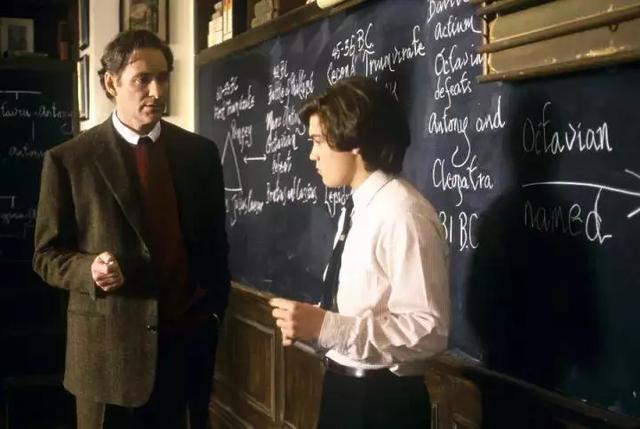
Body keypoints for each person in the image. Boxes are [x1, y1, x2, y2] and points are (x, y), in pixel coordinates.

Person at [32, 29, 230, 429]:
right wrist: (89, 269)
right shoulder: (69, 160)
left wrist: (210, 317)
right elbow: (46, 255)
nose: (156, 91)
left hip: (186, 351)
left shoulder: (200, 154)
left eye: (163, 77)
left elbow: (214, 247)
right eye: (142, 79)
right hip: (109, 361)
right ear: (111, 83)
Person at [270, 76, 450, 428]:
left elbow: (428, 330)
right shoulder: (358, 207)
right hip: (344, 389)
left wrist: (328, 327)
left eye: (318, 141)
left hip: (382, 403)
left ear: (353, 139)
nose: (312, 154)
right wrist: (315, 324)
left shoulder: (403, 214)